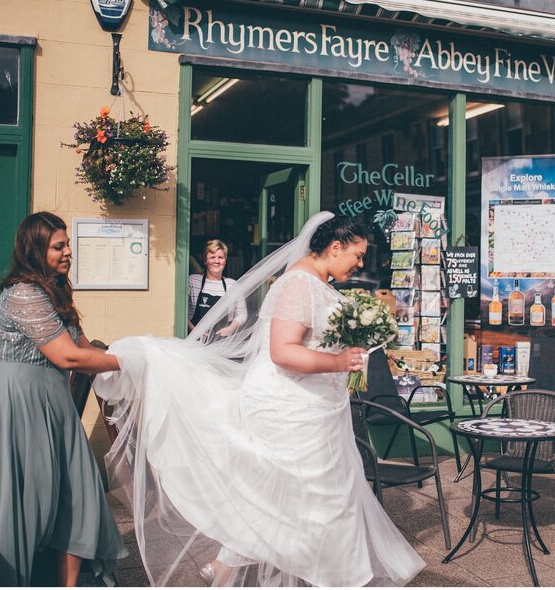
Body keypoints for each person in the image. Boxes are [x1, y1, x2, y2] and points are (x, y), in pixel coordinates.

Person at [94, 212, 425, 587]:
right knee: (316, 499)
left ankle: (231, 568)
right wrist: (338, 360)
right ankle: (339, 577)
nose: (361, 263)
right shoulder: (299, 285)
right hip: (290, 405)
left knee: (292, 498)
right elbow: (282, 351)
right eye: (359, 255)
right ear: (335, 247)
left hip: (316, 406)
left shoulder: (315, 281)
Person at [0, 212, 128, 586]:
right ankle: (7, 575)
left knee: (76, 488)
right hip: (18, 400)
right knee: (24, 491)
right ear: (34, 250)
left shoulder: (55, 291)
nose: (68, 253)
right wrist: (129, 361)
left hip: (53, 401)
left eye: (67, 245)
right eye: (58, 246)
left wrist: (134, 358)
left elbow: (82, 347)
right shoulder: (24, 294)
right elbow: (67, 356)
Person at [187, 239, 247, 336]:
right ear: (205, 260)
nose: (217, 261)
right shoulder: (193, 281)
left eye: (220, 257)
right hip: (194, 341)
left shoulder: (233, 285)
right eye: (212, 257)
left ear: (225, 260)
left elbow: (242, 314)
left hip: (222, 343)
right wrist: (194, 330)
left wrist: (230, 329)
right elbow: (180, 311)